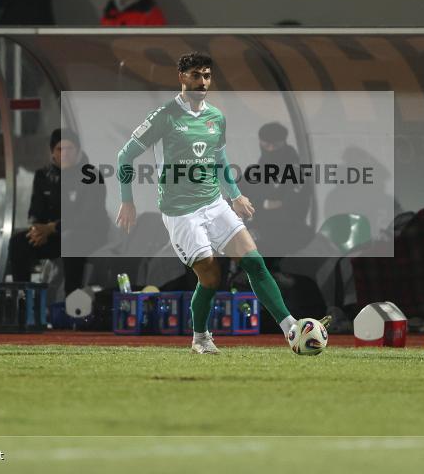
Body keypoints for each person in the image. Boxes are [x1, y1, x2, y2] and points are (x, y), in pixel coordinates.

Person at [115, 52, 328, 354]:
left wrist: (235, 195)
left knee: (255, 262)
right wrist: (127, 201)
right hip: (181, 213)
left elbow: (220, 160)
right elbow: (125, 156)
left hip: (214, 204)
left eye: (206, 75)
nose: (201, 82)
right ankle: (200, 337)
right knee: (212, 276)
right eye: (195, 75)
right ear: (181, 77)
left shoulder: (216, 117)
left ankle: (290, 327)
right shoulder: (164, 117)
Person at [8, 129, 107, 295]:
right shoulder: (43, 176)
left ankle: (71, 300)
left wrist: (53, 228)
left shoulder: (91, 176)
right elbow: (35, 210)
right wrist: (37, 230)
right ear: (52, 153)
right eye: (60, 149)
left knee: (71, 241)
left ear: (78, 151)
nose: (65, 154)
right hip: (54, 235)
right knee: (18, 243)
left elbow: (87, 217)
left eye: (69, 149)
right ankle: (25, 299)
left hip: (86, 234)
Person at [243, 122, 314, 257]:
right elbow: (238, 196)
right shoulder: (256, 170)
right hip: (259, 229)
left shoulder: (295, 171)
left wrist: (259, 204)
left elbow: (292, 205)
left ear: (283, 143)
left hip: (287, 233)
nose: (270, 150)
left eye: (275, 146)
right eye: (265, 145)